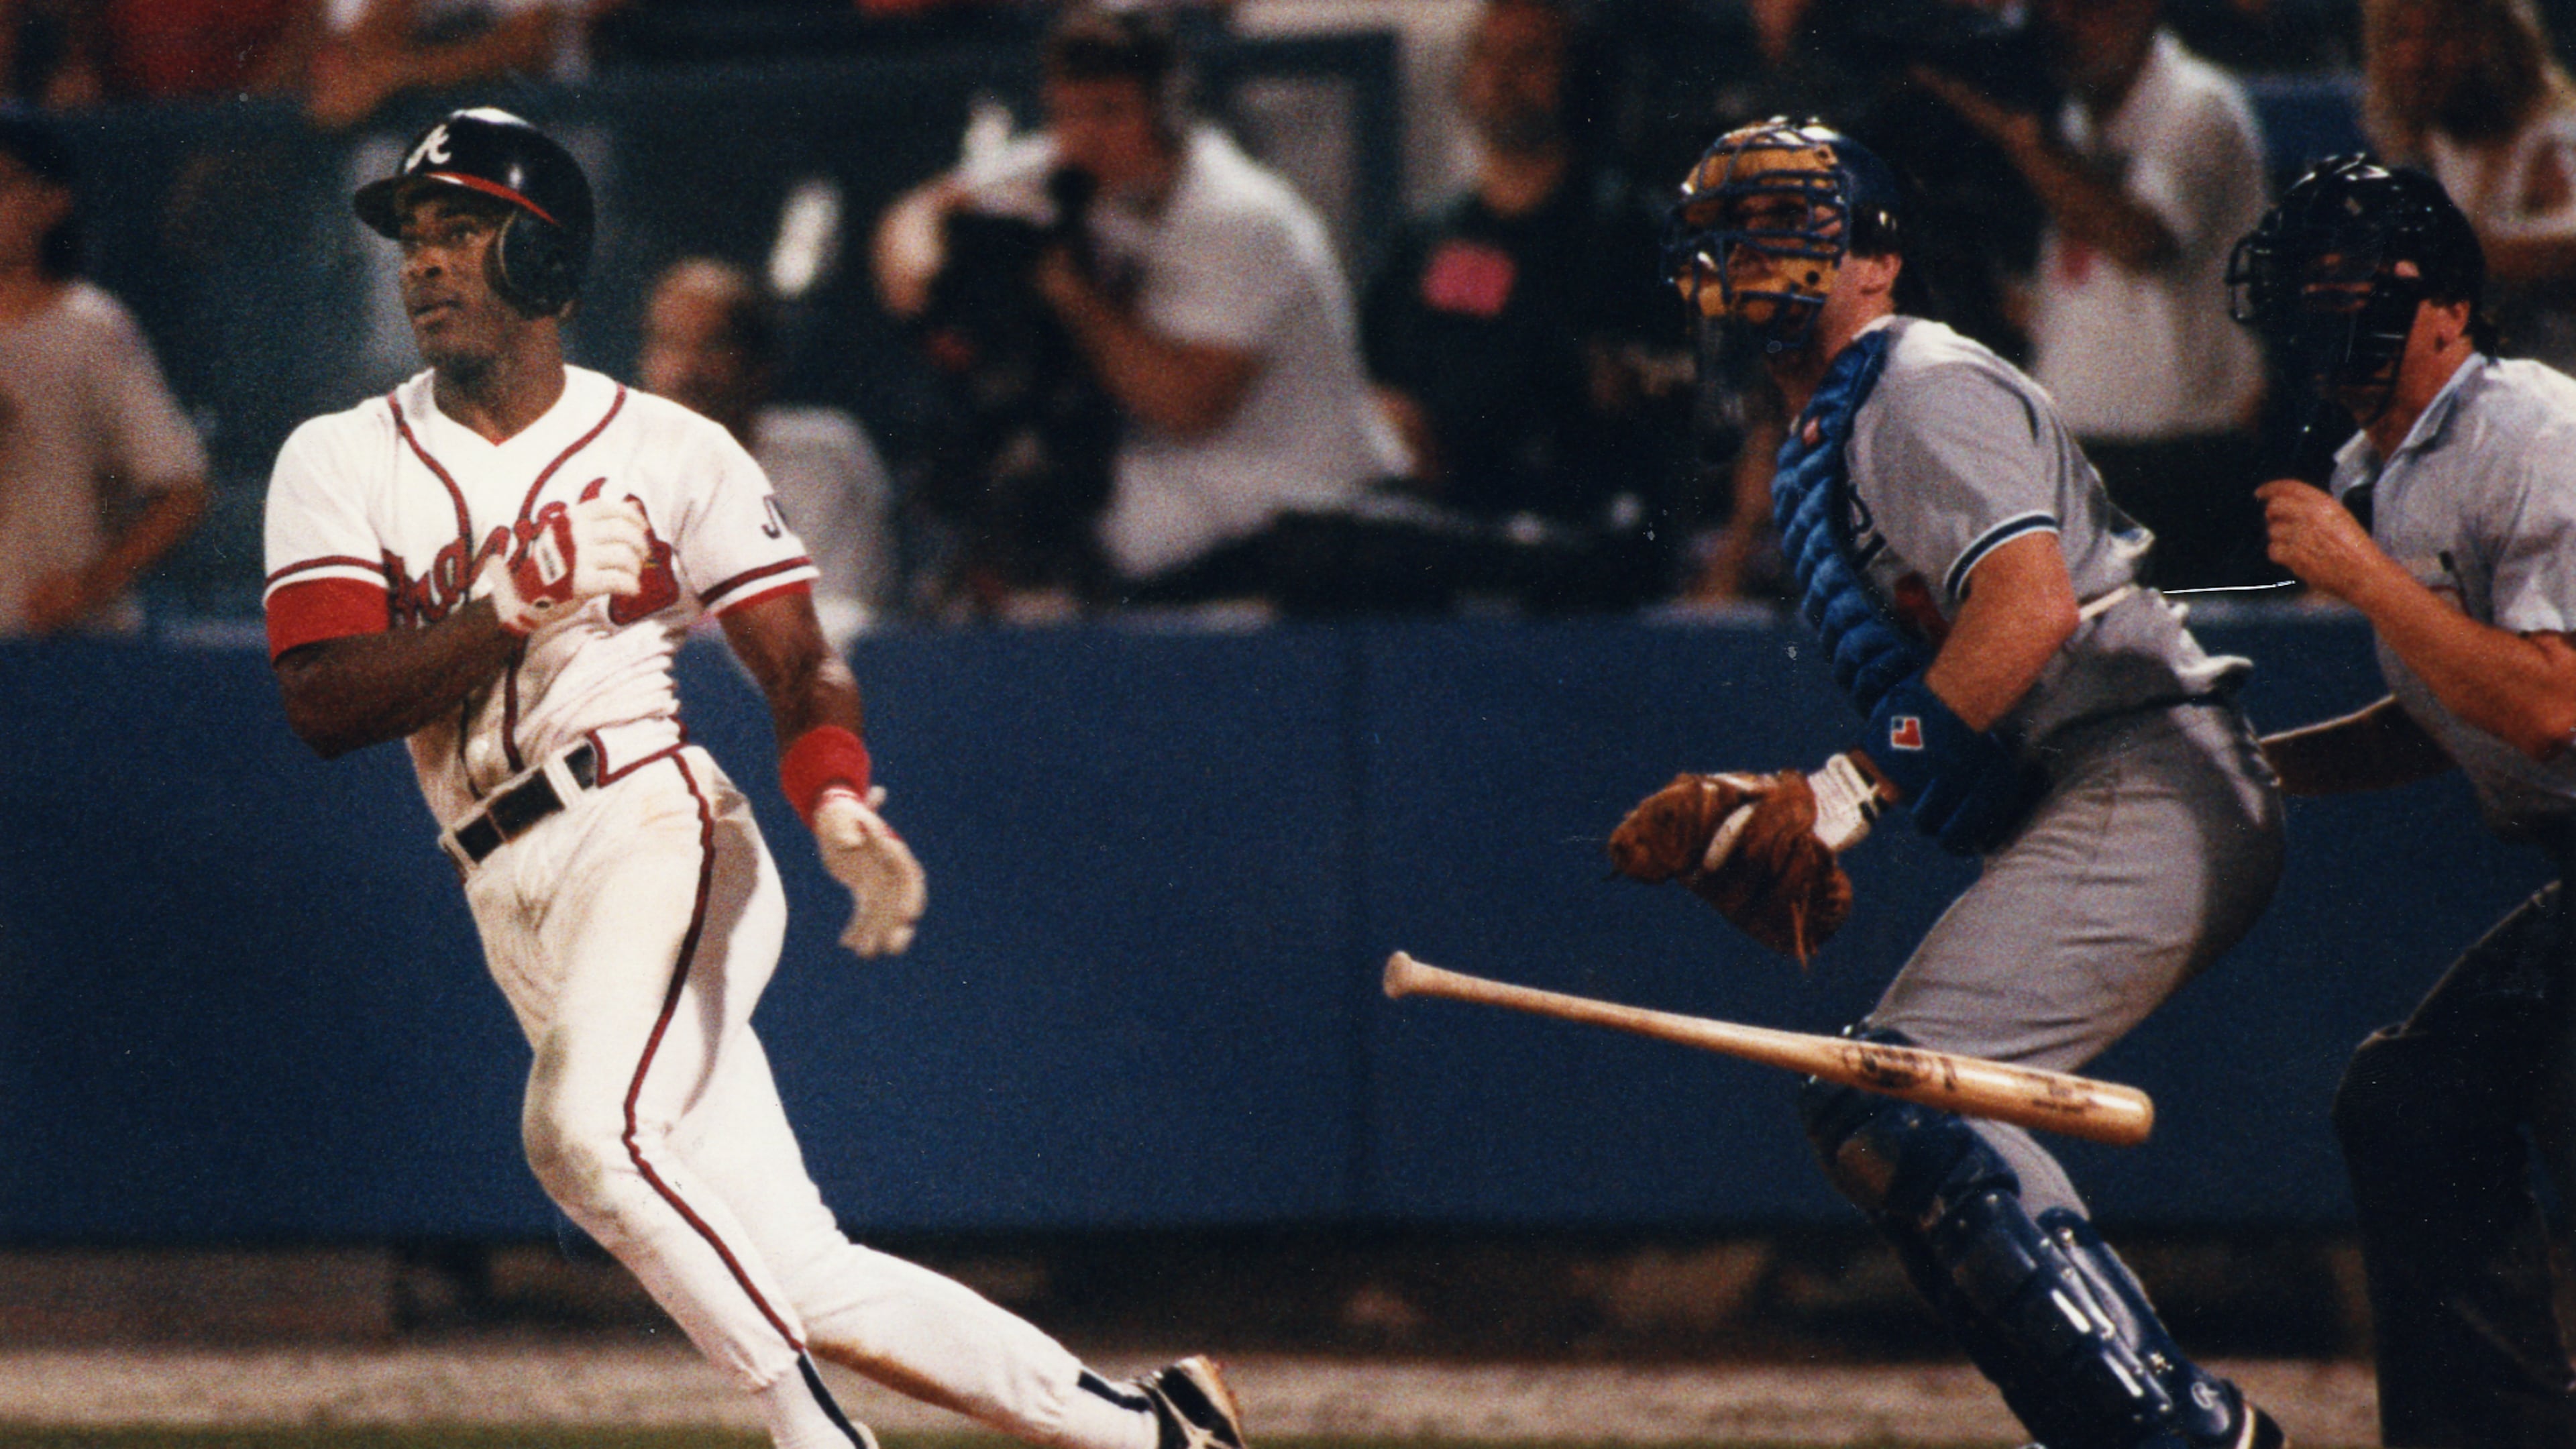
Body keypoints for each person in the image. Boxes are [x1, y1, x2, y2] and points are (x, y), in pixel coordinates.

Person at [259, 107, 1251, 1449]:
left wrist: (834, 791)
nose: (425, 261)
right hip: (500, 880)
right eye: (415, 236)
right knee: (799, 1271)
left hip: (648, 828)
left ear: (547, 259)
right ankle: (1158, 1434)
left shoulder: (672, 450)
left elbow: (799, 661)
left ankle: (815, 1436)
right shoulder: (337, 457)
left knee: (579, 1137)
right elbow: (323, 703)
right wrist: (508, 607)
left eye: (465, 230)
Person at [1612, 119, 2284, 1449]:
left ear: (1877, 258)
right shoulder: (1837, 423)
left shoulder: (1916, 384)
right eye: (1730, 231)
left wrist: (1846, 797)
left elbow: (2029, 609)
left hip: (2140, 761)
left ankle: (2178, 1434)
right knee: (1872, 1106)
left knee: (1899, 1096)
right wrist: (1783, 801)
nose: (1747, 255)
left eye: (1786, 225)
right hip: (2096, 775)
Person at [2237, 154, 2576, 1448]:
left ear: (2450, 306)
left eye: (2356, 282)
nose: (2327, 309)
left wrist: (2367, 579)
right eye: (2309, 284)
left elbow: (2550, 705)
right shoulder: (2376, 465)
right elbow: (2451, 711)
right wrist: (2252, 765)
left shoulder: (2531, 430)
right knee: (2413, 1104)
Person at [875, 5, 1405, 612]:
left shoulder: (1244, 216)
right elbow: (912, 218)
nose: (1085, 136)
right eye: (1067, 113)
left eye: (1110, 112)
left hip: (1302, 504)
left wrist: (1069, 290)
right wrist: (932, 306)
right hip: (1183, 489)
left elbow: (1187, 407)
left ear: (1166, 108)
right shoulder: (1067, 169)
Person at [1916, 0, 2271, 591]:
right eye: (2053, 10)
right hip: (2084, 449)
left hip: (2180, 458)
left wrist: (2022, 143)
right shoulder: (2078, 114)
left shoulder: (2195, 103)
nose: (2065, 25)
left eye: (2086, 10)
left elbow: (2140, 239)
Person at [1356, 0, 1680, 612]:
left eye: (1530, 57)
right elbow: (1374, 380)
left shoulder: (1630, 233)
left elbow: (1666, 389)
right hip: (1438, 549)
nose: (1502, 77)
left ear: (1578, 75)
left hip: (1581, 556)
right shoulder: (1425, 242)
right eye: (1487, 54)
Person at [0, 107, 208, 637]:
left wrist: (91, 584)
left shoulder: (91, 326)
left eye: (4, 184)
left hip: (66, 646)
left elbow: (182, 488)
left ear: (53, 202)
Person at [639, 256, 896, 647]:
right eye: (670, 344)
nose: (686, 370)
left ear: (759, 365)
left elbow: (838, 619)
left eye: (713, 346)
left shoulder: (825, 458)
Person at [2363, 0, 2576, 375]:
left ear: (2495, 40)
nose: (2416, 58)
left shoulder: (2551, 142)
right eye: (2401, 36)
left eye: (2441, 35)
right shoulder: (2437, 139)